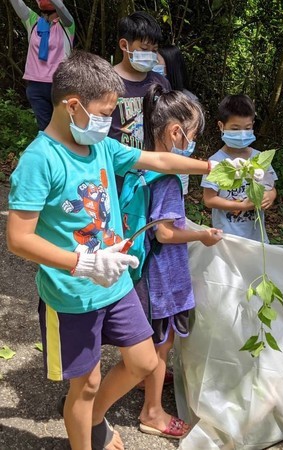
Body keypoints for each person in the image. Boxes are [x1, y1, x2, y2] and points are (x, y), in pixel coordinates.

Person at [6, 50, 216, 450]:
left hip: (115, 284)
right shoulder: (40, 160)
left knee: (143, 361)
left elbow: (154, 158)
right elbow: (18, 239)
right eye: (104, 111)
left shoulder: (100, 145)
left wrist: (211, 169)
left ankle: (96, 422)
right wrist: (83, 262)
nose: (109, 120)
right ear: (73, 106)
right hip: (72, 294)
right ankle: (84, 436)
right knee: (85, 386)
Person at [135, 84, 222, 439]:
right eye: (194, 135)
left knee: (153, 341)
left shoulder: (142, 163)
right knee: (163, 343)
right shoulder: (169, 178)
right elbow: (166, 234)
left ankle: (146, 383)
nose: (194, 143)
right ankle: (152, 412)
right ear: (175, 133)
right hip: (163, 276)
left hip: (144, 271)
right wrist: (201, 236)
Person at [201, 94, 278, 242]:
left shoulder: (260, 158)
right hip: (227, 239)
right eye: (235, 128)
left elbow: (271, 186)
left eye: (247, 128)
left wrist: (271, 195)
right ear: (221, 126)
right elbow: (209, 199)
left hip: (256, 238)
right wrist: (242, 206)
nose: (242, 134)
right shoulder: (216, 162)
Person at [9, 0, 75, 130]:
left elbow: (61, 7)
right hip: (36, 85)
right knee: (45, 130)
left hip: (60, 85)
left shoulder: (67, 25)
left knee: (64, 129)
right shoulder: (32, 21)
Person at [110, 11, 170, 150]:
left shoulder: (161, 83)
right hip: (115, 166)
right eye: (144, 49)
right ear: (124, 45)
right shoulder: (106, 80)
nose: (150, 54)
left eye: (154, 50)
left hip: (152, 166)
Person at [154, 44, 200, 195]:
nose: (151, 65)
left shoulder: (189, 101)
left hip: (178, 167)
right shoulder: (150, 96)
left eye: (156, 62)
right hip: (151, 167)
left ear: (171, 66)